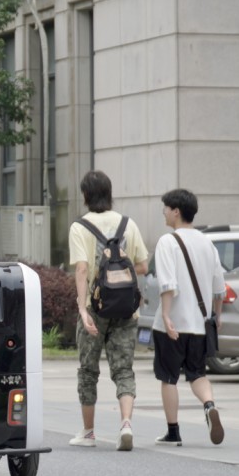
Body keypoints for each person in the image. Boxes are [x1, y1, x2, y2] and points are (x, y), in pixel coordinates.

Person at [67, 170, 149, 451]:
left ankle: (88, 432)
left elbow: (81, 269)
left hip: (95, 308)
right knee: (124, 369)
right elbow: (142, 267)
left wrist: (82, 309)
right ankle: (126, 423)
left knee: (89, 371)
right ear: (109, 193)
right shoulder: (128, 224)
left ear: (86, 195)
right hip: (127, 309)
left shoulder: (80, 227)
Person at [151, 189, 226, 446]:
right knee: (197, 374)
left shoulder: (167, 242)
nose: (163, 212)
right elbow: (220, 288)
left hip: (172, 323)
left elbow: (168, 285)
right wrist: (217, 316)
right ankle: (209, 405)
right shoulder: (208, 243)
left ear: (176, 211)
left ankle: (173, 431)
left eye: (165, 208)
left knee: (168, 377)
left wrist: (166, 315)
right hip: (200, 324)